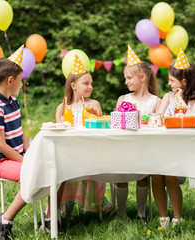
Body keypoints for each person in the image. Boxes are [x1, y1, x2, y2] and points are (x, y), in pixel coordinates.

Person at [50, 55, 111, 226]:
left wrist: (93, 117)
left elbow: (101, 131)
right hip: (68, 151)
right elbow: (58, 132)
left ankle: (90, 200)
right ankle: (66, 205)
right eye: (86, 83)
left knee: (79, 164)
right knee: (68, 165)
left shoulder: (94, 105)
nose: (90, 87)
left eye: (91, 83)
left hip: (90, 151)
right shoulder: (63, 108)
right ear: (73, 85)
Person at [153, 47, 195, 228]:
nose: (169, 84)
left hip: (184, 149)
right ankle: (163, 217)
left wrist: (181, 99)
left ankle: (178, 216)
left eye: (172, 81)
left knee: (169, 170)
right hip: (164, 145)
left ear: (183, 82)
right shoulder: (167, 97)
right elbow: (158, 116)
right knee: (156, 172)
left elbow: (193, 119)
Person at [0, 46, 28, 240]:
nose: (22, 83)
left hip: (17, 157)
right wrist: (24, 162)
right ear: (10, 80)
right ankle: (5, 219)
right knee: (31, 175)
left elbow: (20, 130)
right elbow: (0, 145)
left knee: (47, 166)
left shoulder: (14, 101)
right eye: (20, 80)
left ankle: (49, 220)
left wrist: (31, 152)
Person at [115, 45, 161, 222]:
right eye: (125, 78)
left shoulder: (155, 101)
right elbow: (117, 124)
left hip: (145, 149)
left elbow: (157, 124)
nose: (126, 82)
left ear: (142, 77)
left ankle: (141, 213)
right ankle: (121, 213)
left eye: (129, 77)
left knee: (142, 176)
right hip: (124, 147)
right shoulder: (123, 99)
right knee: (120, 175)